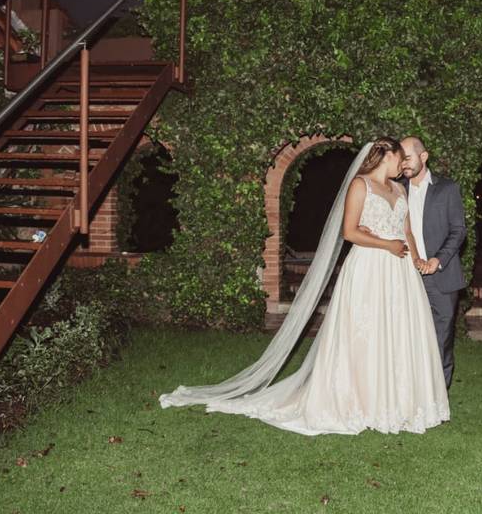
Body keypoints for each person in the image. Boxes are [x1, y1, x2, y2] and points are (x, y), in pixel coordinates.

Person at [159, 137, 450, 435]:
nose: (402, 164)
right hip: (370, 267)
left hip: (400, 271)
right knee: (366, 331)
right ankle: (362, 400)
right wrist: (384, 243)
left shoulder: (399, 188)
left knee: (398, 332)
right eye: (399, 157)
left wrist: (415, 259)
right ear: (386, 154)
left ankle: (398, 402)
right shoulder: (360, 185)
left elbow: (407, 231)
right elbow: (349, 232)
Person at [398, 137, 467, 389]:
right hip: (404, 275)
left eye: (408, 157)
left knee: (441, 340)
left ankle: (437, 398)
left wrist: (438, 260)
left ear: (423, 157)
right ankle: (409, 393)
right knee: (406, 339)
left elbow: (458, 230)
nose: (403, 163)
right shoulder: (395, 189)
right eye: (400, 158)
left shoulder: (447, 188)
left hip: (441, 278)